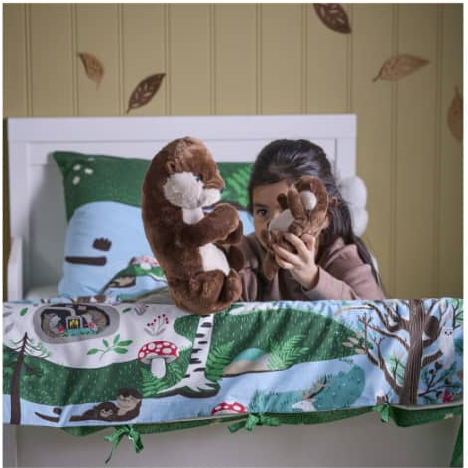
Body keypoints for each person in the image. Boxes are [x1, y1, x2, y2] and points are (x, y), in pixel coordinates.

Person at [240, 139, 384, 301]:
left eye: (287, 209)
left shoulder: (341, 258)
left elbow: (376, 313)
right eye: (262, 212)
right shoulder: (249, 251)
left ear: (324, 216)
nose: (272, 225)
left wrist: (312, 277)